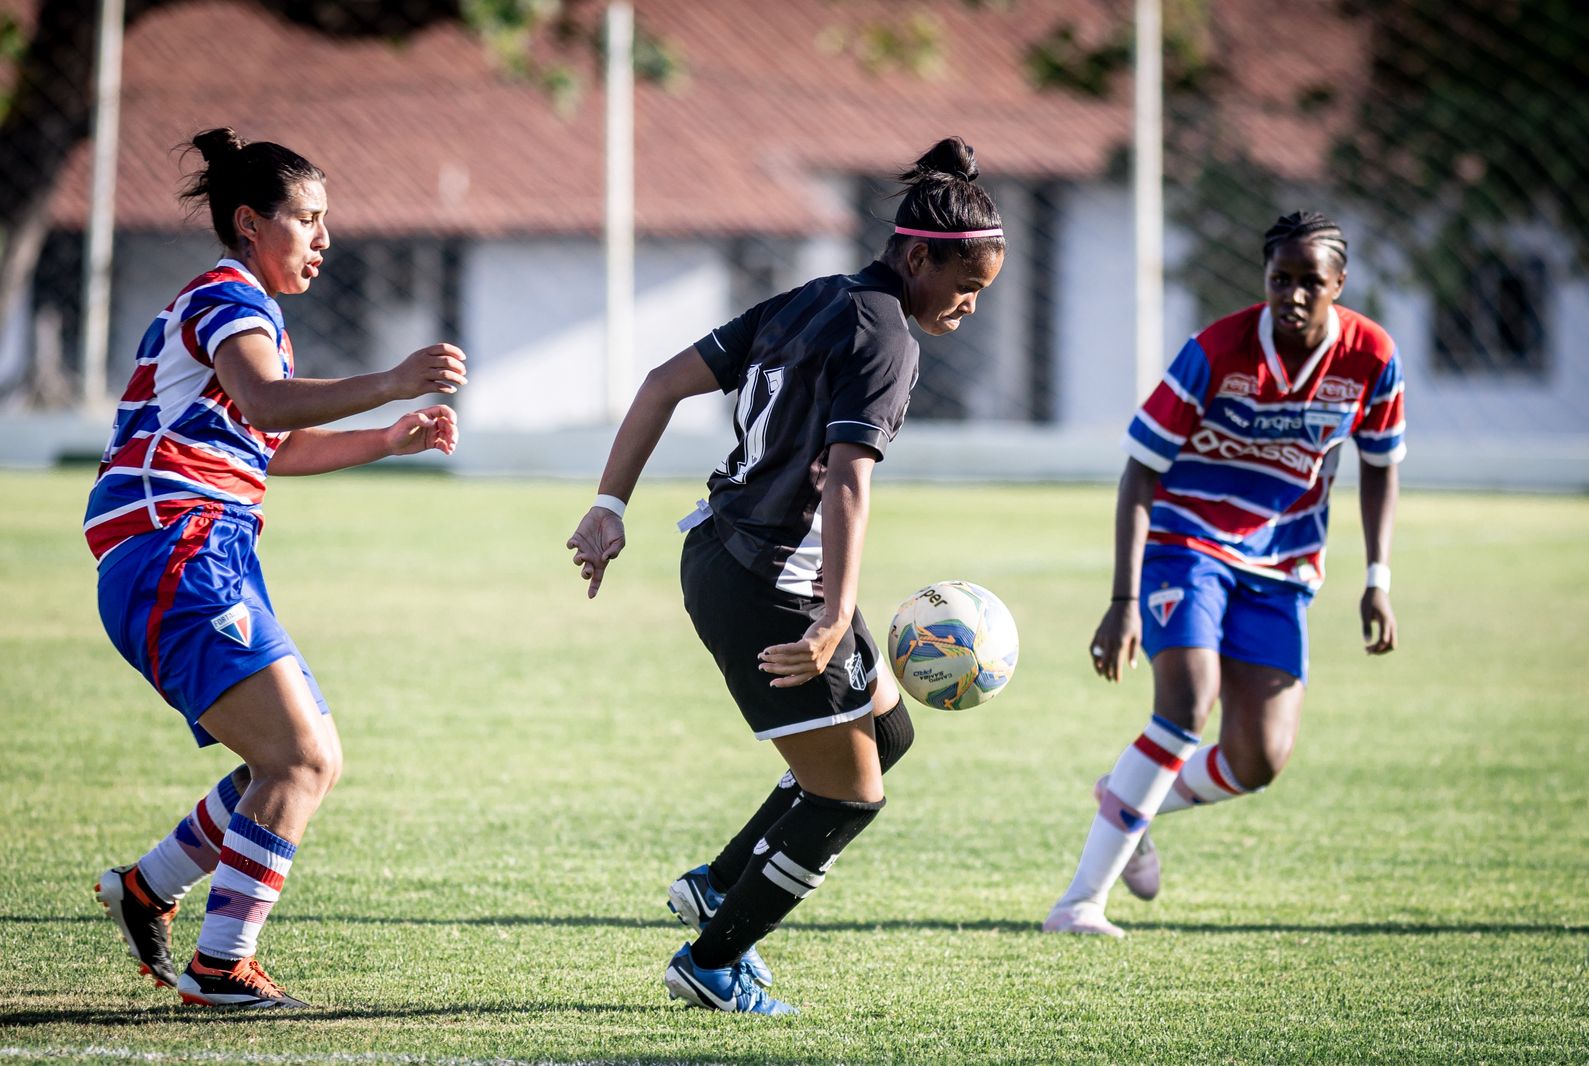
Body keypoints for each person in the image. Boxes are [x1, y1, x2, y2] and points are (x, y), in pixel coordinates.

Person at [566, 137, 1005, 1013]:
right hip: (772, 583)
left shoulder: (812, 298)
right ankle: (713, 962)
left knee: (888, 734)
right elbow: (846, 480)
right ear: (918, 257)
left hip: (725, 552)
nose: (970, 305)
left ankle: (720, 886)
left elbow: (658, 383)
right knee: (851, 797)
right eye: (966, 285)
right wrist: (836, 615)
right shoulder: (889, 340)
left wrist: (609, 505)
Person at [87, 127, 467, 1006]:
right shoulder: (228, 297)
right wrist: (391, 381)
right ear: (250, 223)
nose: (324, 238)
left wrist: (388, 438)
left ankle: (148, 887)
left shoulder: (252, 314)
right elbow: (264, 401)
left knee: (300, 758)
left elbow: (273, 443)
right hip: (175, 544)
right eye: (307, 219)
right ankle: (221, 965)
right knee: (299, 759)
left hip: (202, 547)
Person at [1042, 211, 1405, 937]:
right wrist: (1123, 600)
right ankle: (1079, 904)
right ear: (1264, 278)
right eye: (1280, 278)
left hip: (1283, 563)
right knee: (1186, 705)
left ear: (1338, 284)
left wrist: (1377, 577)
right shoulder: (1216, 350)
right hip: (1186, 541)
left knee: (1258, 759)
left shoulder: (1371, 355)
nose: (1293, 294)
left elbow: (1380, 464)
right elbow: (1140, 472)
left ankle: (1130, 798)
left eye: (1310, 282)